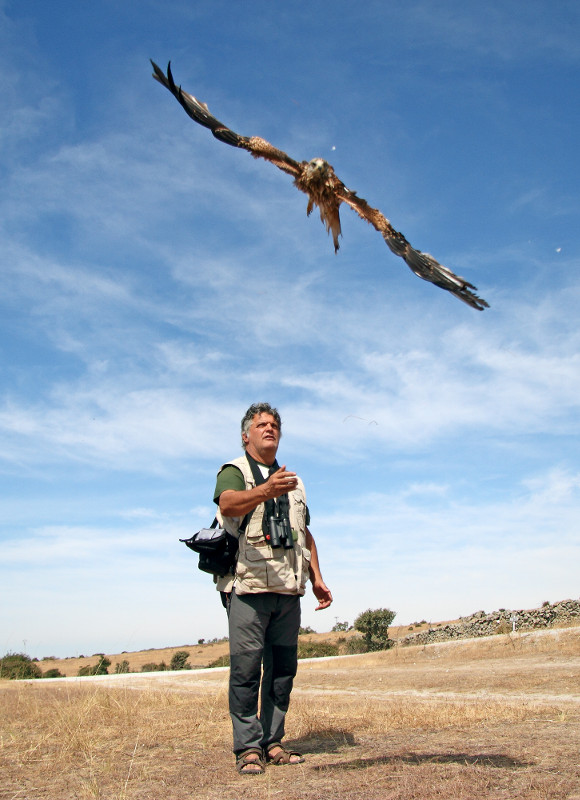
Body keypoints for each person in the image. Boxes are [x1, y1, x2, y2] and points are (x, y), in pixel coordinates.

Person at [213, 402, 333, 775]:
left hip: (288, 589)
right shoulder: (234, 471)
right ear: (246, 434)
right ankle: (248, 748)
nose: (270, 428)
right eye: (261, 424)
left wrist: (317, 577)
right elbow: (228, 505)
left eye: (275, 424)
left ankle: (273, 741)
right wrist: (265, 490)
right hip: (247, 587)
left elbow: (304, 532)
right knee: (247, 669)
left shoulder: (294, 481)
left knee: (283, 670)